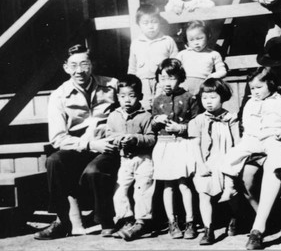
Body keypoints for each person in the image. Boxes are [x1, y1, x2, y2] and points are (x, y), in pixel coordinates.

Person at [34, 44, 120, 240]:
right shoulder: (58, 95)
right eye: (73, 65)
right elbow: (57, 138)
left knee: (94, 171)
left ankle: (105, 220)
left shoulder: (112, 85)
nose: (79, 70)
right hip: (79, 145)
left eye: (84, 64)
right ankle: (62, 220)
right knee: (54, 161)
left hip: (107, 143)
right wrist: (88, 144)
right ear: (66, 67)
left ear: (92, 65)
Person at [221, 67, 281, 200]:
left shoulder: (280, 102)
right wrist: (248, 135)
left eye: (259, 87)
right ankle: (229, 186)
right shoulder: (250, 103)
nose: (255, 92)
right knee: (233, 154)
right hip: (253, 138)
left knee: (280, 154)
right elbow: (246, 120)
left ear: (270, 84)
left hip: (272, 137)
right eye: (252, 88)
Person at [150, 58, 200, 239]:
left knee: (184, 185)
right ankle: (172, 222)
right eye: (162, 78)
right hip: (164, 145)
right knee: (167, 186)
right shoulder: (157, 100)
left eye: (171, 78)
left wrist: (181, 128)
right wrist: (156, 121)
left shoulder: (189, 98)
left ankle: (190, 221)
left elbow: (196, 123)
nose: (166, 82)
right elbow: (153, 126)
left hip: (182, 144)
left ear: (180, 78)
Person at [189, 78, 241, 245]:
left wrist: (231, 164)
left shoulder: (231, 119)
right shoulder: (198, 121)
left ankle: (234, 217)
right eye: (205, 98)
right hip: (206, 161)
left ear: (222, 97)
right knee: (204, 193)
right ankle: (208, 229)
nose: (208, 102)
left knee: (231, 192)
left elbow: (237, 144)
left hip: (227, 160)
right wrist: (201, 165)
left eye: (213, 97)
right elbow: (195, 145)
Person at [105, 74, 156, 241]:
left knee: (142, 190)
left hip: (143, 159)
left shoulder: (145, 116)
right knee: (119, 191)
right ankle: (126, 220)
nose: (127, 100)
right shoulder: (114, 116)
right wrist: (118, 139)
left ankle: (142, 222)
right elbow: (109, 135)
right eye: (122, 96)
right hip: (125, 160)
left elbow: (151, 138)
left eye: (132, 96)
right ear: (117, 97)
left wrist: (136, 138)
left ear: (140, 97)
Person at [127, 4, 178, 110]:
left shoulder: (167, 41)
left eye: (154, 22)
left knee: (163, 107)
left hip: (163, 83)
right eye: (145, 23)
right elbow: (132, 68)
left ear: (159, 22)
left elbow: (176, 65)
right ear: (139, 24)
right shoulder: (136, 43)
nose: (150, 26)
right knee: (144, 108)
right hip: (142, 84)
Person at [176, 20, 227, 95]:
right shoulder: (182, 54)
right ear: (187, 41)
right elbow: (174, 69)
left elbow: (222, 71)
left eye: (199, 38)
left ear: (208, 36)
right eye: (191, 40)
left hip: (203, 87)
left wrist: (211, 76)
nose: (196, 43)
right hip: (183, 87)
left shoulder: (213, 54)